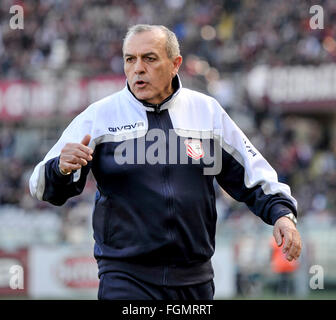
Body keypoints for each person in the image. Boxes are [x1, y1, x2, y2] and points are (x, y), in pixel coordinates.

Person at [29, 24, 302, 300]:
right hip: (125, 277)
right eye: (130, 59)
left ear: (175, 64)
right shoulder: (99, 117)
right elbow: (41, 186)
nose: (137, 68)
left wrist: (282, 215)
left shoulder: (206, 113)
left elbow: (253, 174)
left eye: (149, 58)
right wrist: (61, 169)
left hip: (195, 280)